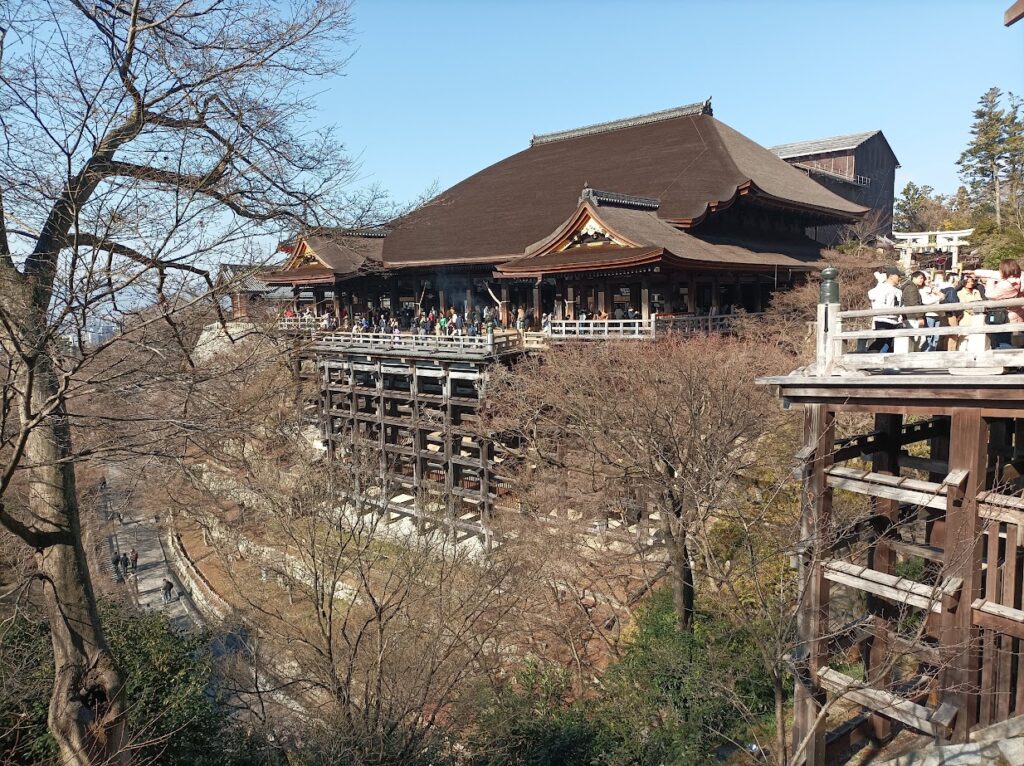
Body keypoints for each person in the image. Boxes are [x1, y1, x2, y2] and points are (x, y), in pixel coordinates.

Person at [973, 259, 1023, 350]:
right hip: (1019, 314)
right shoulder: (1020, 278)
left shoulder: (1006, 285)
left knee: (1003, 342)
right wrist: (977, 272)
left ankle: (1008, 362)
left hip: (1005, 316)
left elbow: (989, 295)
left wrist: (990, 280)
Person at [867, 266, 904, 353]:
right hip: (883, 319)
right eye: (898, 276)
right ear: (891, 276)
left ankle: (886, 364)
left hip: (895, 321)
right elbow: (877, 302)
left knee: (891, 344)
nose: (899, 278)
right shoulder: (882, 288)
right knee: (880, 342)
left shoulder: (898, 291)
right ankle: (868, 360)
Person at [957, 275, 984, 350]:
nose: (971, 283)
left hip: (977, 318)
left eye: (972, 281)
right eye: (968, 281)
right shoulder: (960, 293)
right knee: (964, 338)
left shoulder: (976, 291)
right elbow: (964, 305)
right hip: (966, 318)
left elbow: (980, 301)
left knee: (975, 339)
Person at [901, 271, 927, 351]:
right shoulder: (911, 288)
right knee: (916, 340)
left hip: (911, 317)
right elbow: (913, 304)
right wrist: (919, 317)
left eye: (923, 278)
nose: (922, 280)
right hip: (912, 317)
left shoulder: (912, 287)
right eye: (920, 278)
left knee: (919, 339)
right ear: (914, 278)